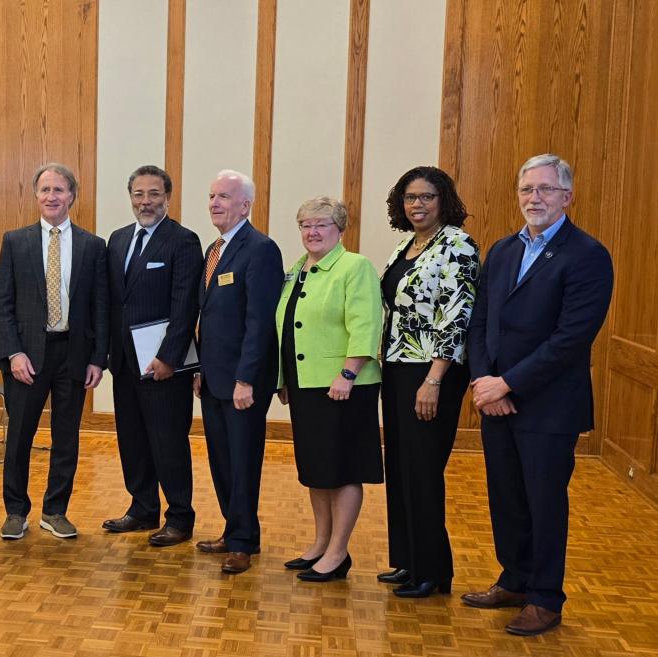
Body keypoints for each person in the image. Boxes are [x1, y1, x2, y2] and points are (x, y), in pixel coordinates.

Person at [462, 154, 613, 636]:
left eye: (546, 190)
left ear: (567, 197)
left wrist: (509, 383)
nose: (535, 198)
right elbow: (481, 321)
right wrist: (486, 383)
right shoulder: (503, 250)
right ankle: (515, 579)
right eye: (527, 189)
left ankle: (545, 597)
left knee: (544, 502)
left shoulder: (588, 255)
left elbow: (571, 339)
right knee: (506, 498)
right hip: (497, 400)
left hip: (549, 407)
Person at [378, 166, 479, 597]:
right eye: (410, 198)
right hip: (398, 368)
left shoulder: (458, 245)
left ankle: (433, 572)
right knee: (401, 467)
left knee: (422, 470)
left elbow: (458, 317)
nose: (417, 205)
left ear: (444, 201)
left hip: (432, 373)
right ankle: (409, 561)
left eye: (426, 197)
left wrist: (434, 379)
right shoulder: (406, 245)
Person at [0, 162, 108, 540]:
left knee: (66, 437)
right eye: (45, 190)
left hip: (73, 355)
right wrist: (13, 353)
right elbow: (2, 304)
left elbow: (100, 307)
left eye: (59, 190)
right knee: (20, 438)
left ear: (72, 195)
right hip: (26, 356)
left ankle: (55, 510)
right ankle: (15, 511)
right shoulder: (15, 241)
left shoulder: (93, 246)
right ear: (35, 195)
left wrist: (97, 358)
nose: (52, 196)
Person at [275, 196, 383, 582]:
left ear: (340, 229)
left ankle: (338, 552)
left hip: (343, 387)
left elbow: (367, 323)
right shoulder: (298, 269)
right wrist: (284, 379)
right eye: (305, 224)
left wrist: (349, 373)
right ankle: (320, 543)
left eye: (321, 224)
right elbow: (287, 326)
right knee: (316, 469)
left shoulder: (355, 267)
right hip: (306, 385)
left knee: (343, 468)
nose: (312, 232)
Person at [103, 165, 202, 547]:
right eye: (139, 194)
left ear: (168, 198)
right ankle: (142, 508)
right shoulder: (117, 239)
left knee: (168, 442)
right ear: (130, 197)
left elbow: (184, 306)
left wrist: (169, 357)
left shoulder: (183, 241)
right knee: (132, 439)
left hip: (164, 366)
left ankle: (179, 517)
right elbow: (114, 301)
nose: (146, 202)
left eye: (154, 194)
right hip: (125, 363)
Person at [192, 170, 284, 572]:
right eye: (212, 195)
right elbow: (207, 316)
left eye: (224, 197)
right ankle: (235, 529)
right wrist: (197, 368)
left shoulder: (260, 249)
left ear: (245, 205)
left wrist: (246, 378)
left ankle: (244, 541)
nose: (214, 203)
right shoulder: (214, 248)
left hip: (243, 381)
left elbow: (259, 322)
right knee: (221, 459)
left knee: (244, 459)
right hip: (211, 378)